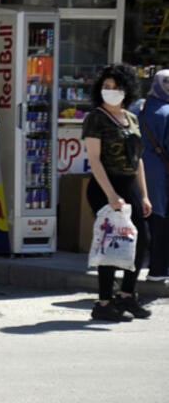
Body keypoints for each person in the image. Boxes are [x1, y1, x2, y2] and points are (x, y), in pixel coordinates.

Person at [82, 64, 152, 321]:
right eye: (106, 87)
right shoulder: (96, 118)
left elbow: (138, 159)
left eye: (116, 87)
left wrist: (143, 194)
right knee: (110, 242)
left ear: (127, 91)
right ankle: (104, 302)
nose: (110, 92)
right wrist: (110, 194)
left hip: (127, 185)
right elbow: (95, 159)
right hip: (105, 187)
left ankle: (127, 295)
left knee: (141, 239)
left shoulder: (131, 118)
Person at [139, 69, 169, 282]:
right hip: (160, 175)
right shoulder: (167, 112)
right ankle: (158, 270)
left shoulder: (136, 107)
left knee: (139, 221)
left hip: (135, 173)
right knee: (160, 222)